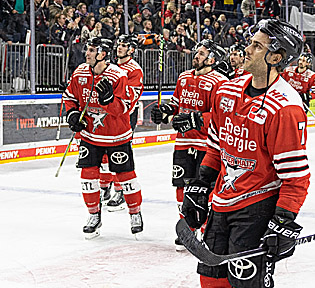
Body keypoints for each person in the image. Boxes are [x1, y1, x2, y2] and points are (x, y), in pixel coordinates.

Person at [179, 19, 310, 288]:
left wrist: (284, 222)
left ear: (276, 56)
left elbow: (296, 176)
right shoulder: (227, 90)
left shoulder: (285, 108)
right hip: (222, 201)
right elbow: (216, 146)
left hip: (256, 208)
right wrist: (199, 187)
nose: (247, 49)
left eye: (256, 45)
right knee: (214, 283)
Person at [150, 40, 230, 249]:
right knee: (181, 186)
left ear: (212, 59)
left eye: (202, 53)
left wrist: (196, 119)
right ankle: (187, 227)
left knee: (205, 187)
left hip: (207, 144)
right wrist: (165, 111)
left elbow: (220, 113)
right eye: (197, 52)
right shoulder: (184, 77)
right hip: (183, 142)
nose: (196, 55)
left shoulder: (219, 81)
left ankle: (205, 230)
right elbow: (176, 104)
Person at [61, 37, 143, 238]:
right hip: (90, 135)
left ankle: (135, 213)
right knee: (87, 178)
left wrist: (109, 101)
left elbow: (126, 107)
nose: (86, 53)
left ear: (103, 54)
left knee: (126, 177)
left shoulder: (118, 75)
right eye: (87, 49)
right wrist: (72, 115)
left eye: (90, 50)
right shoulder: (80, 72)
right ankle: (93, 215)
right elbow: (70, 97)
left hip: (117, 136)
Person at [99, 34, 144, 212]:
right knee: (103, 153)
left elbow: (131, 96)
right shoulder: (110, 65)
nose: (119, 47)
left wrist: (117, 106)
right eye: (119, 44)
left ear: (131, 49)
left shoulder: (134, 69)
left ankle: (121, 191)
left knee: (119, 154)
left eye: (124, 45)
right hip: (108, 114)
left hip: (124, 115)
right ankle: (105, 188)